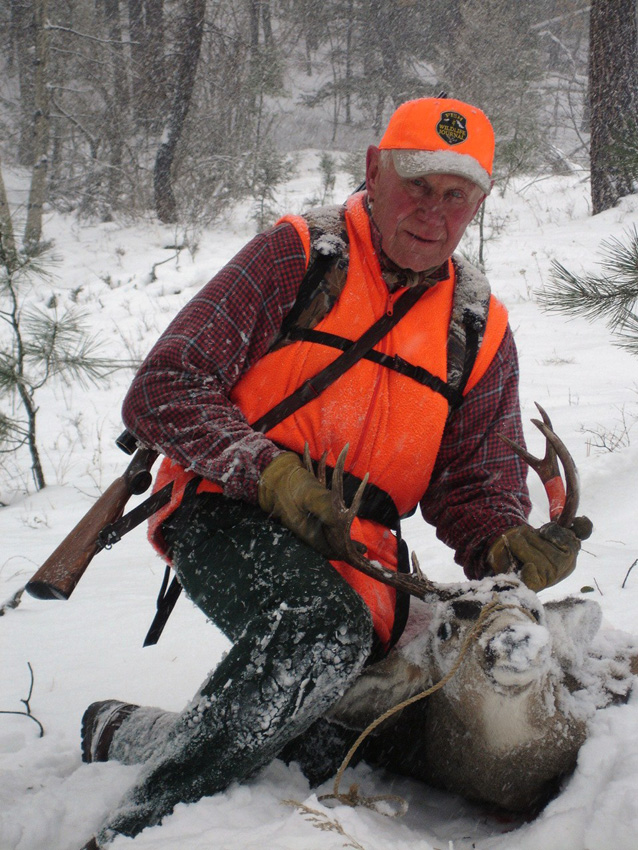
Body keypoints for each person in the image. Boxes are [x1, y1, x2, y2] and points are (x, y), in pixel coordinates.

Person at [79, 97, 587, 848]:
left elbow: (474, 487)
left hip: (363, 561)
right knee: (318, 637)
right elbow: (166, 386)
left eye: (457, 195)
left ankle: (131, 732)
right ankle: (133, 830)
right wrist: (267, 472)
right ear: (375, 171)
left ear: (479, 202)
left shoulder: (476, 325)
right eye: (417, 183)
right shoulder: (300, 254)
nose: (433, 211)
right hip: (230, 511)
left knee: (332, 736)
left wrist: (505, 545)